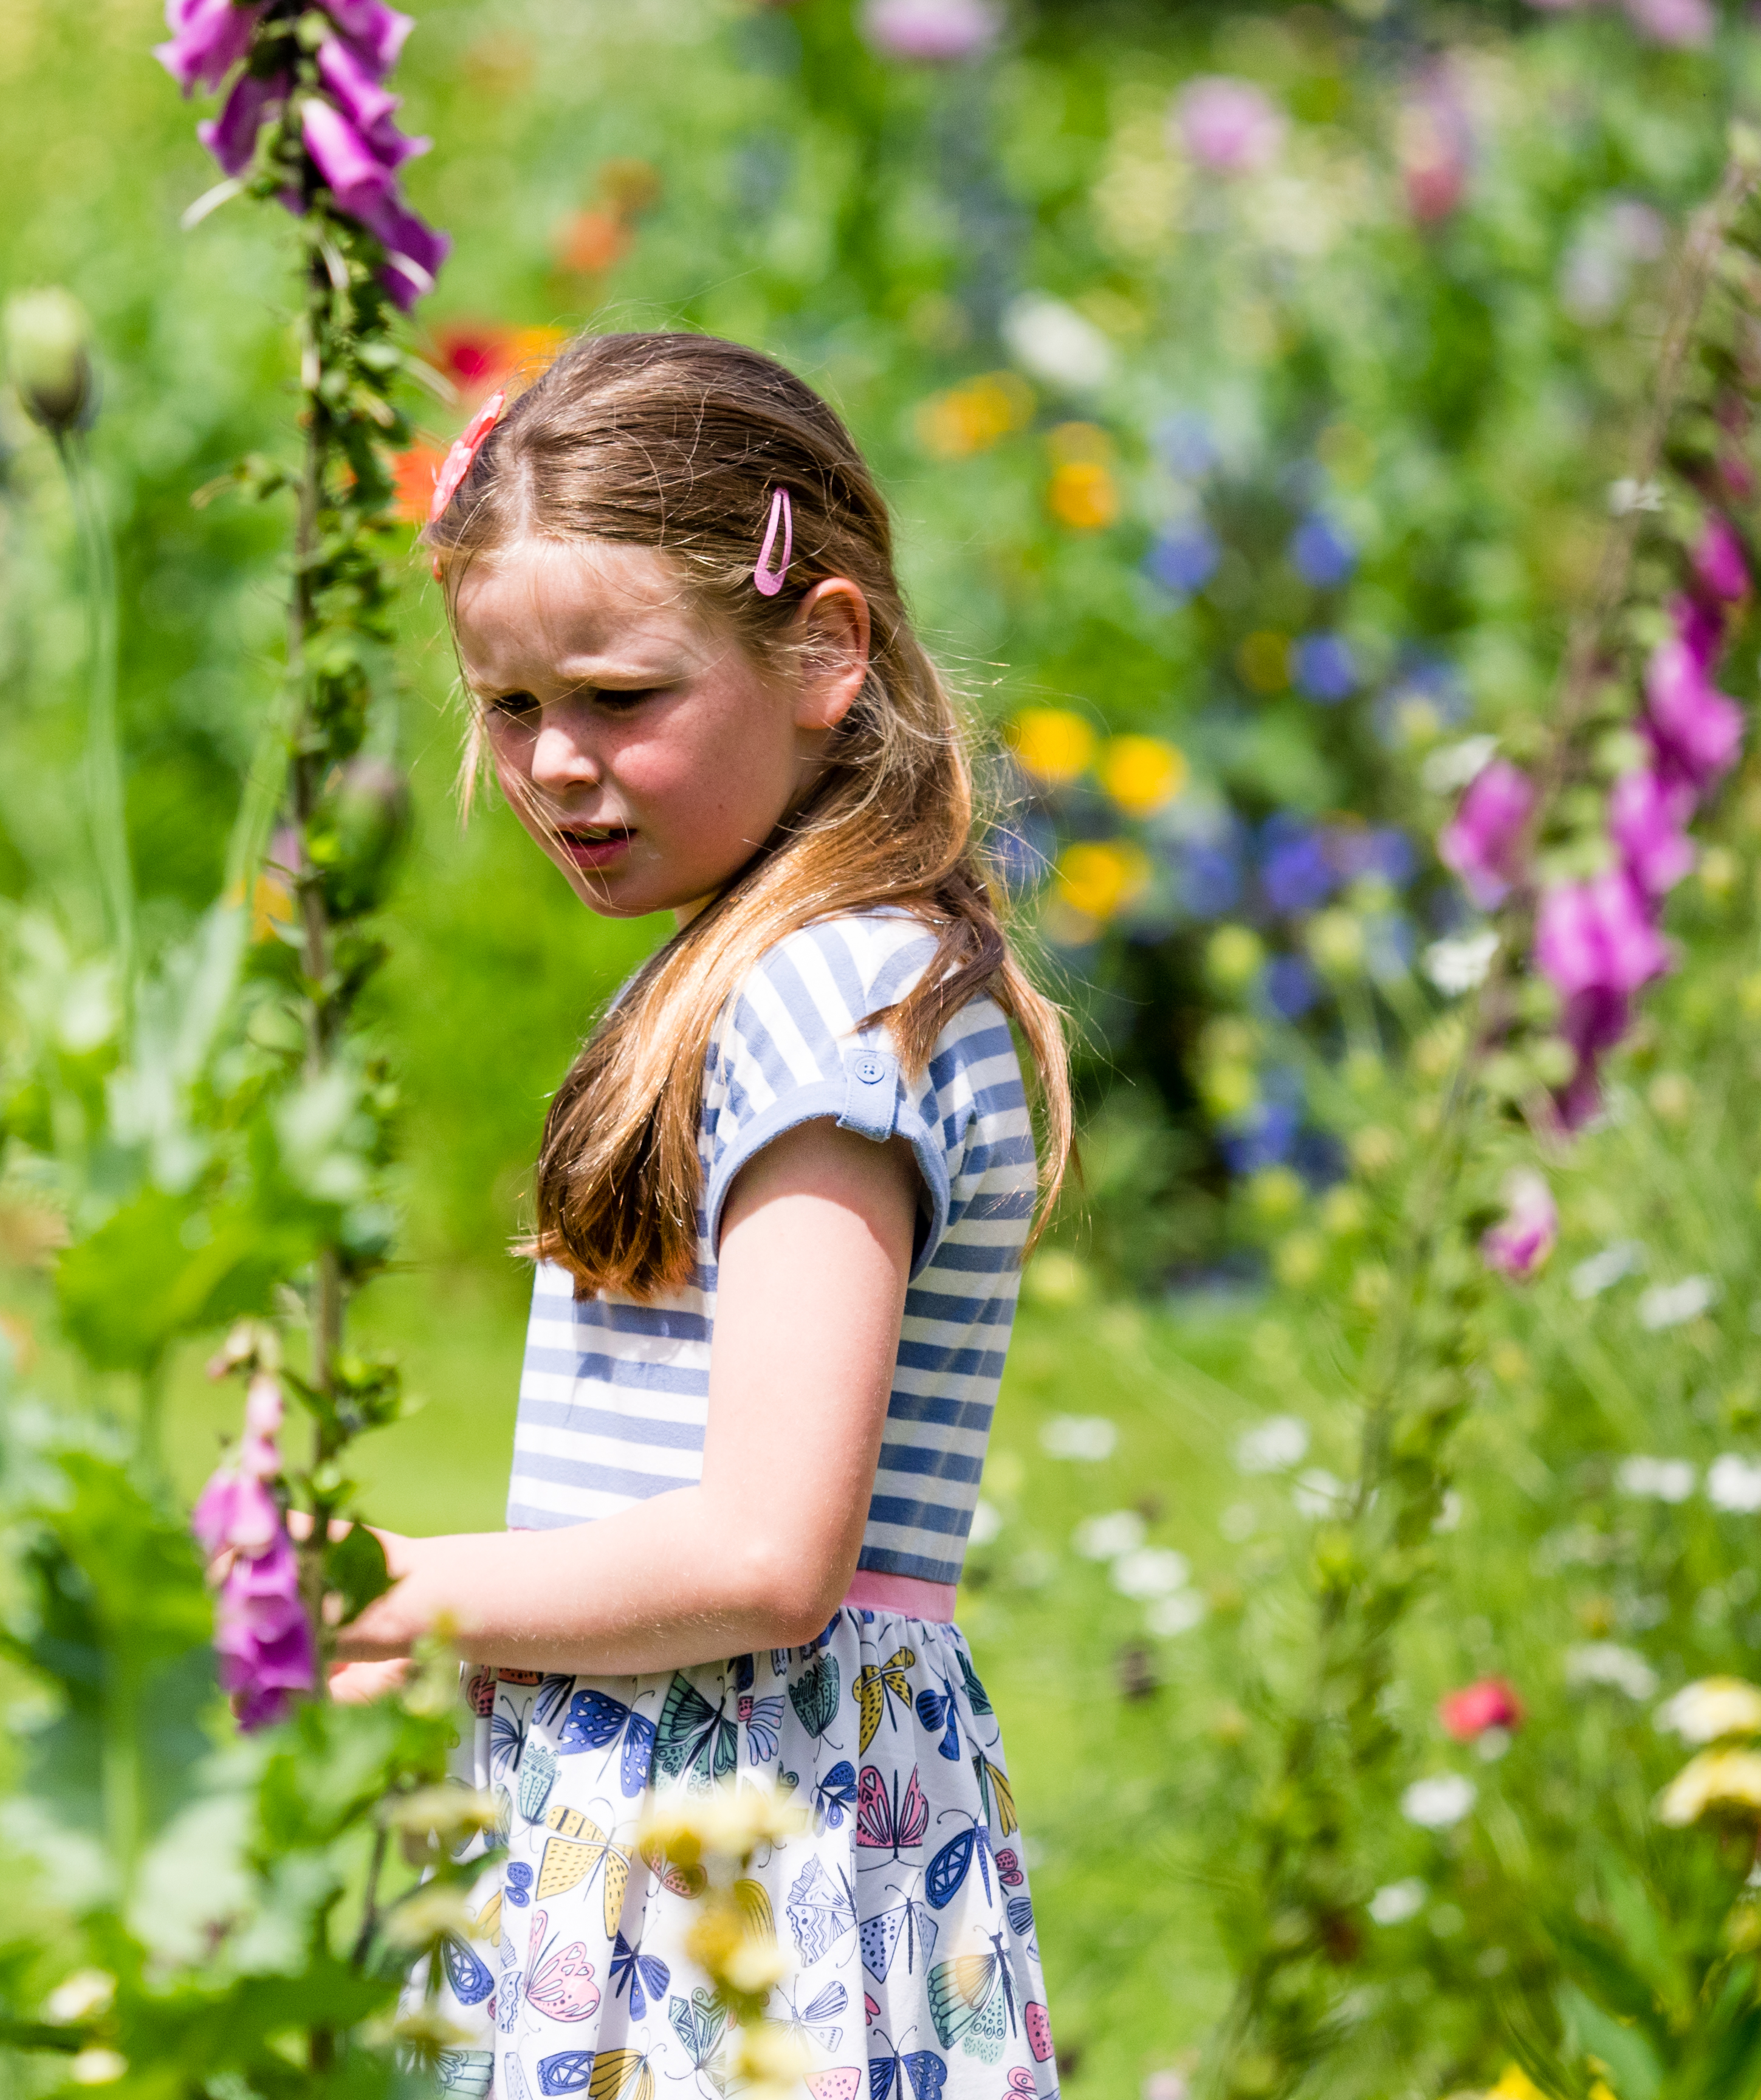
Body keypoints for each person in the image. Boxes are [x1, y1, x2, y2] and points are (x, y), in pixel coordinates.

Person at [334, 332, 1074, 2092]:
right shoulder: (761, 977)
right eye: (511, 707)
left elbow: (766, 1552)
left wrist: (413, 1589)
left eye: (619, 699)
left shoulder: (831, 1003)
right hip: (685, 1794)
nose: (556, 765)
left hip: (744, 1832)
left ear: (824, 651)